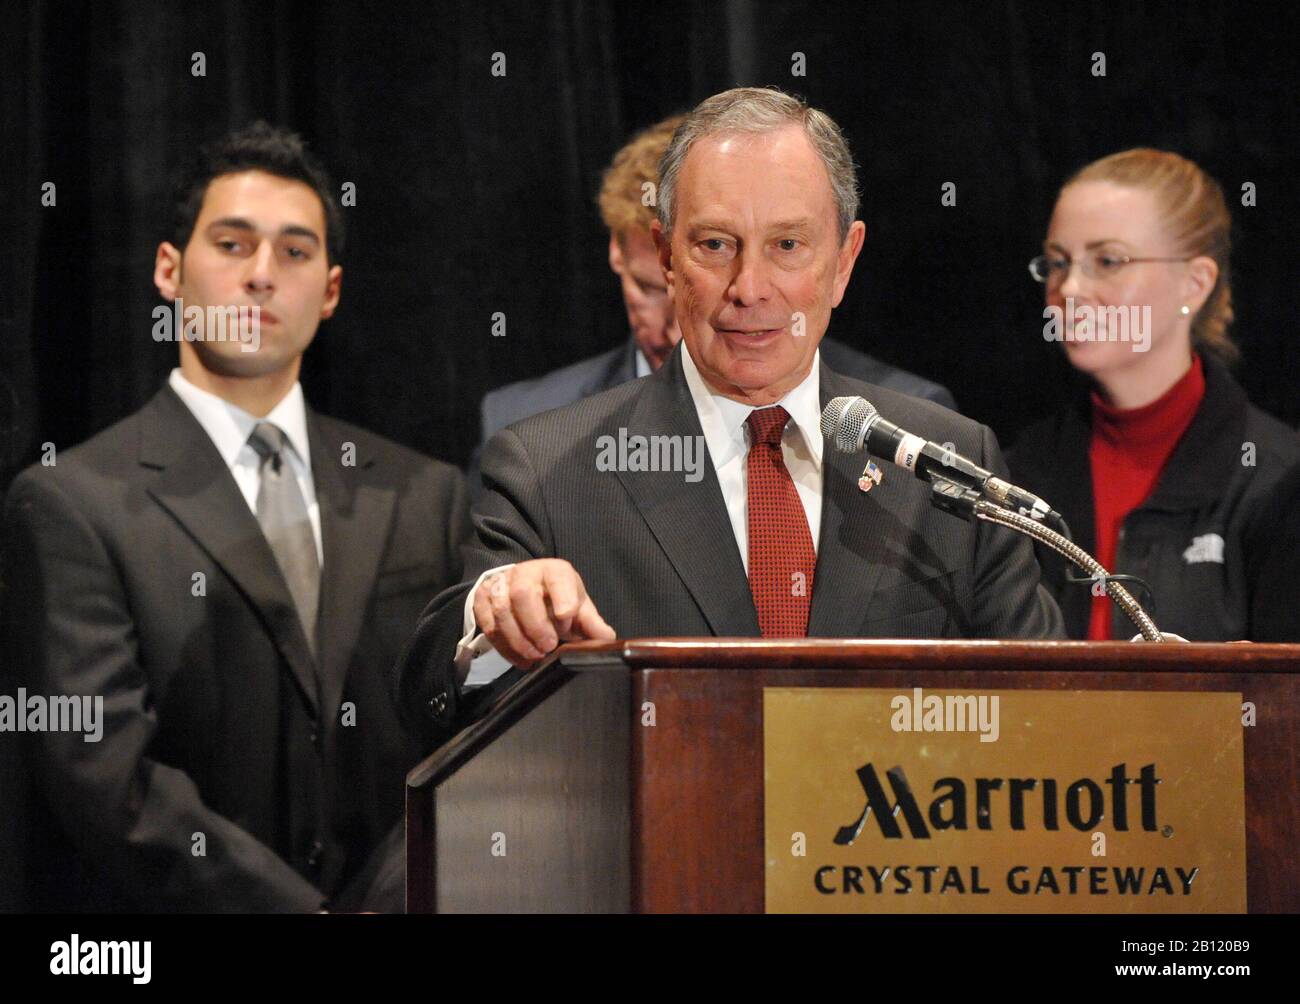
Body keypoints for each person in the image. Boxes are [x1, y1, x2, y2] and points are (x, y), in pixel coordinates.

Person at [398, 87, 1062, 737]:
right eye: (716, 245)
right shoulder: (550, 468)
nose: (749, 289)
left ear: (844, 261)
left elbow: (1050, 715)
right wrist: (495, 625)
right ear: (665, 257)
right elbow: (435, 696)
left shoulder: (947, 463)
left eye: (787, 246)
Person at [1, 123, 470, 912]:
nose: (261, 276)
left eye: (294, 252)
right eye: (231, 243)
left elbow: (465, 737)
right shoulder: (69, 500)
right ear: (169, 270)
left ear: (329, 290)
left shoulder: (426, 493)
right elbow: (104, 773)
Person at [469, 114, 956, 496]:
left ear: (844, 259)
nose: (673, 329)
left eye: (786, 245)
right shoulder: (530, 438)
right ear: (647, 254)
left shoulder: (917, 429)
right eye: (651, 288)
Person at [1007, 148, 1300, 641]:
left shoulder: (1279, 480)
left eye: (1108, 260)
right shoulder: (1020, 471)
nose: (1071, 288)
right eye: (1058, 263)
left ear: (1195, 281)